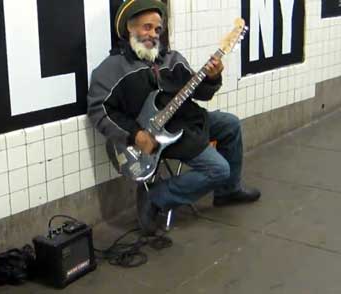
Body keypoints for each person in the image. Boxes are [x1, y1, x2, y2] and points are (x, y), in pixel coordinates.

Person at [87, 0, 261, 235]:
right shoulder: (110, 70)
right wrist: (135, 135)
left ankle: (228, 191)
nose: (153, 34)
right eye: (146, 27)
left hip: (188, 123)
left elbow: (200, 93)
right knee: (218, 169)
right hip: (153, 139)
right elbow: (100, 111)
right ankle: (155, 197)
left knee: (230, 124)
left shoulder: (172, 59)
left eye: (158, 29)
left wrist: (211, 77)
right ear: (130, 27)